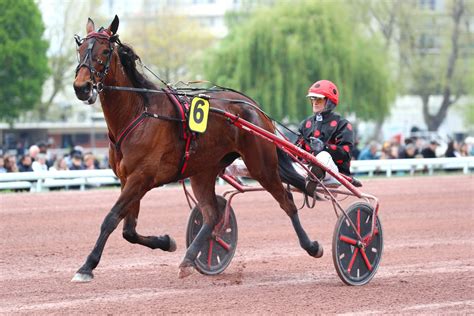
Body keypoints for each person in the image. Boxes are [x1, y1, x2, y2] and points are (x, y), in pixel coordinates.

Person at [295, 80, 354, 189]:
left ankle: (312, 180)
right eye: (313, 98)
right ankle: (310, 178)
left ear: (329, 102)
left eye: (319, 99)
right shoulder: (305, 124)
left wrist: (325, 147)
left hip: (334, 173)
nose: (315, 102)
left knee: (323, 156)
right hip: (307, 169)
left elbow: (346, 153)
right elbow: (297, 151)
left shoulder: (343, 124)